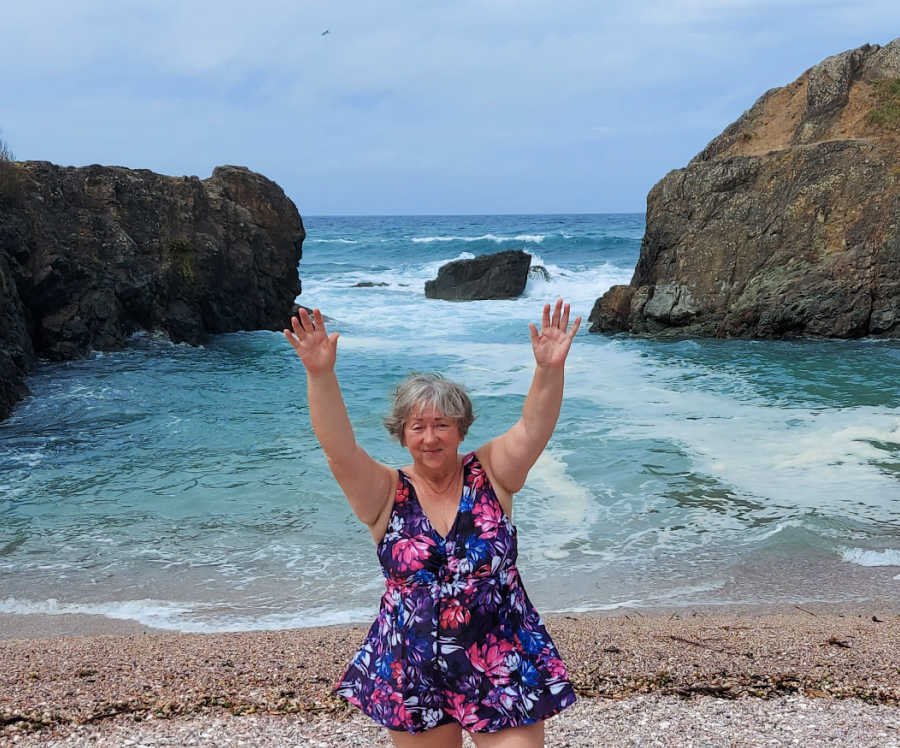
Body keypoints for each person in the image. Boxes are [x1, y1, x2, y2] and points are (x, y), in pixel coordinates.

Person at [284, 299, 581, 747]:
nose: (430, 437)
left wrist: (549, 369)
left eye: (442, 424)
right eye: (417, 427)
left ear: (461, 430)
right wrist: (320, 374)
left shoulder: (493, 472)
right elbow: (339, 450)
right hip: (413, 662)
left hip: (501, 653)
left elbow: (533, 426)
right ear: (401, 434)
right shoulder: (384, 492)